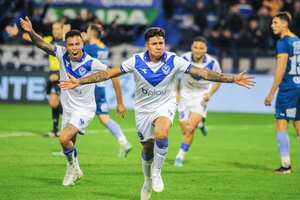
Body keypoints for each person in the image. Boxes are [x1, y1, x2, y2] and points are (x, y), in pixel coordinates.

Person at [58, 27, 255, 199]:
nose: (159, 46)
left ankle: (157, 173)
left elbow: (203, 73)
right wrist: (80, 80)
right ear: (147, 46)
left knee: (162, 133)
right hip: (143, 110)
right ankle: (146, 181)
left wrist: (231, 79)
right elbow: (108, 73)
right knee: (146, 149)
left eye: (161, 43)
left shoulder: (173, 60)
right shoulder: (135, 61)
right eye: (155, 43)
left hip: (165, 106)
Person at [20, 16, 126, 186]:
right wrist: (31, 31)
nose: (74, 48)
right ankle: (75, 169)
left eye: (77, 44)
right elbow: (41, 44)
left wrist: (120, 102)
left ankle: (72, 169)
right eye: (71, 45)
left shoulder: (91, 62)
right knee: (69, 144)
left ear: (82, 44)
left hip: (84, 109)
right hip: (68, 108)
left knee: (63, 139)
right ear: (66, 46)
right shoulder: (61, 54)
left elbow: (113, 74)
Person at [6, 21, 66, 137]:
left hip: (61, 74)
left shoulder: (64, 43)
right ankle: (55, 130)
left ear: (62, 29)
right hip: (52, 74)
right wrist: (18, 33)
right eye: (53, 28)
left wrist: (59, 75)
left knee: (53, 102)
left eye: (57, 28)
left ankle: (70, 120)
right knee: (53, 102)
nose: (54, 30)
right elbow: (34, 39)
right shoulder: (49, 40)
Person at [82, 24, 132, 157]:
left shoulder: (88, 48)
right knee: (104, 117)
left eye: (87, 32)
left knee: (75, 112)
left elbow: (73, 53)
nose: (85, 33)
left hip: (90, 86)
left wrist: (82, 41)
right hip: (101, 86)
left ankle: (67, 147)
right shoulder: (104, 47)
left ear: (91, 33)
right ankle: (124, 142)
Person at [173, 36, 222, 167]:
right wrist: (176, 92)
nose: (198, 50)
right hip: (185, 96)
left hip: (201, 97)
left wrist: (210, 93)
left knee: (190, 129)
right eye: (196, 47)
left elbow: (219, 79)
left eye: (201, 48)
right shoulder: (184, 59)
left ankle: (179, 157)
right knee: (185, 131)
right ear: (191, 47)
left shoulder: (213, 63)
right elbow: (173, 75)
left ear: (205, 49)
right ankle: (201, 124)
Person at [264, 11, 300, 174]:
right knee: (298, 125)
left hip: (288, 88)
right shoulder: (297, 40)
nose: (272, 26)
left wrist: (272, 92)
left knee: (281, 123)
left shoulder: (283, 42)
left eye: (275, 22)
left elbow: (281, 68)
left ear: (285, 24)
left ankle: (285, 166)